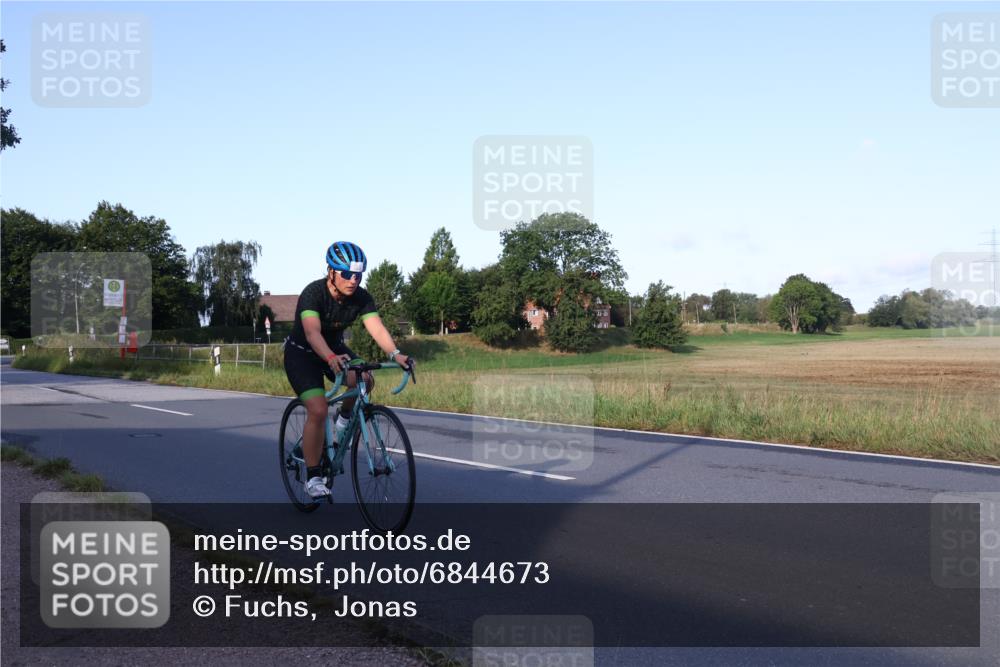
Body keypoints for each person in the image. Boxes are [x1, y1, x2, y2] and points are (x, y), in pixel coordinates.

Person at [284, 241, 411, 498]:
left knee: (365, 378)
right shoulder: (313, 293)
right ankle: (313, 477)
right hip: (303, 354)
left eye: (358, 275)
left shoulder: (361, 297)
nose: (353, 280)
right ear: (331, 271)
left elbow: (376, 328)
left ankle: (342, 423)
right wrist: (329, 357)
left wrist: (396, 354)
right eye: (346, 274)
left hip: (335, 350)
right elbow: (312, 332)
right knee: (318, 409)